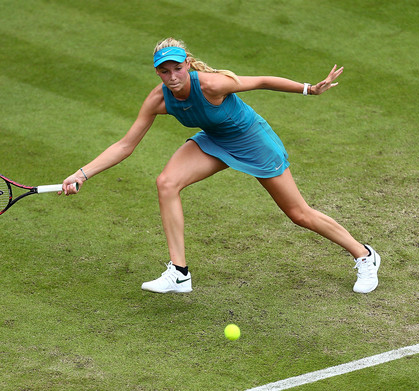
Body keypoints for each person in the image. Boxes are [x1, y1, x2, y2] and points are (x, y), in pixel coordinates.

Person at [62, 37, 380, 294]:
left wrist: (309, 88)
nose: (172, 77)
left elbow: (262, 81)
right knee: (167, 183)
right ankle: (179, 272)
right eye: (164, 71)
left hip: (253, 140)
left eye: (176, 68)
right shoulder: (158, 99)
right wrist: (81, 173)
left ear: (187, 64)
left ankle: (364, 255)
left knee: (298, 213)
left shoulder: (212, 85)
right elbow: (125, 145)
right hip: (214, 140)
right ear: (157, 72)